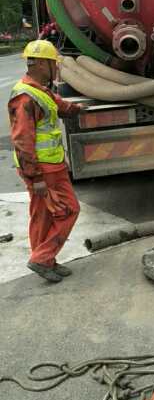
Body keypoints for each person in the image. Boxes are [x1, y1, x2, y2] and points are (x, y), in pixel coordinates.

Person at [8, 40, 84, 283]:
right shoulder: (26, 98)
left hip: (46, 167)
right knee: (70, 210)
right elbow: (23, 140)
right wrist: (36, 177)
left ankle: (45, 260)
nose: (56, 68)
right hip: (45, 170)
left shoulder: (38, 89)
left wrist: (78, 108)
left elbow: (58, 106)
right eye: (53, 63)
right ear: (41, 63)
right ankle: (42, 258)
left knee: (42, 217)